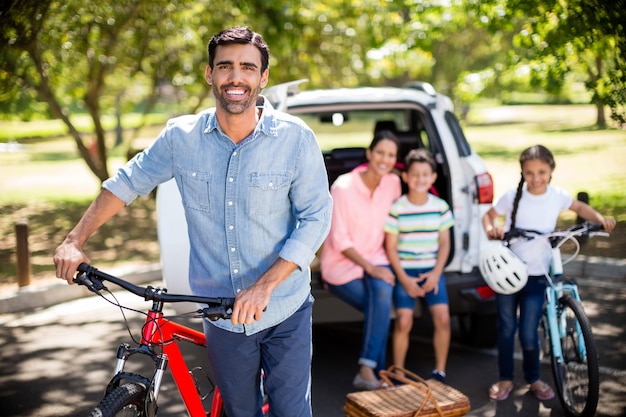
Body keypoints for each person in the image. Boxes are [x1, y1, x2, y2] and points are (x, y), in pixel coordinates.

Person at [53, 26, 333, 417]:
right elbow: (127, 183)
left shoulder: (295, 138)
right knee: (240, 413)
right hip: (220, 315)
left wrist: (265, 287)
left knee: (290, 412)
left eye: (248, 68)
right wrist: (74, 239)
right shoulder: (181, 138)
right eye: (225, 66)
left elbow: (316, 217)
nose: (236, 77)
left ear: (263, 77)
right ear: (209, 73)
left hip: (285, 310)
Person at [482, 144, 616, 401]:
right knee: (507, 327)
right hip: (508, 273)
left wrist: (600, 219)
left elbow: (579, 208)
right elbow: (489, 216)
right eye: (529, 172)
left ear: (551, 170)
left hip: (536, 274)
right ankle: (505, 378)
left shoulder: (557, 195)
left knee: (529, 332)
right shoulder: (512, 196)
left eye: (541, 171)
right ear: (522, 172)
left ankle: (533, 379)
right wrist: (492, 229)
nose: (536, 178)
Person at [320, 130, 401, 390]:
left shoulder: (393, 184)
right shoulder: (343, 187)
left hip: (378, 256)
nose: (384, 159)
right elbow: (341, 241)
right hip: (342, 265)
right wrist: (372, 270)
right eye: (380, 152)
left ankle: (367, 371)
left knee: (381, 296)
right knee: (380, 306)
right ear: (369, 154)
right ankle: (373, 373)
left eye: (390, 155)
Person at [384, 148, 454, 383]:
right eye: (415, 174)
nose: (420, 179)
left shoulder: (440, 207)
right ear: (406, 177)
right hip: (405, 272)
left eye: (425, 174)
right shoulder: (397, 208)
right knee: (404, 321)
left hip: (432, 271)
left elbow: (445, 243)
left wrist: (436, 273)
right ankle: (399, 372)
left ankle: (440, 371)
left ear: (433, 177)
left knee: (443, 317)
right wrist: (403, 278)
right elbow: (391, 247)